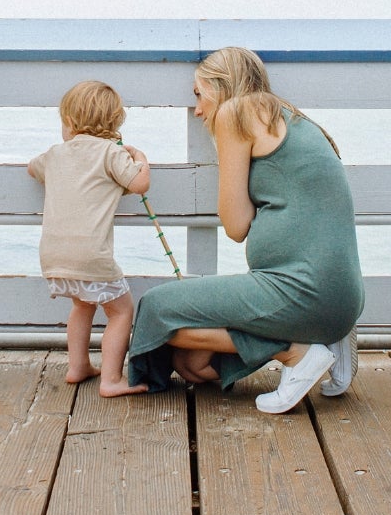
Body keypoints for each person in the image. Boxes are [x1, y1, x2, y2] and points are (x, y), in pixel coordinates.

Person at [127, 47, 364, 413]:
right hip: (340, 296)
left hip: (301, 290)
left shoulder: (236, 112)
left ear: (221, 87)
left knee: (156, 309)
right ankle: (326, 337)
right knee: (189, 364)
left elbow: (236, 226)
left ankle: (297, 352)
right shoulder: (289, 117)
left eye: (198, 94)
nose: (198, 110)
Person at [27, 81, 152, 397]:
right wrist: (140, 158)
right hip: (91, 257)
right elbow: (138, 184)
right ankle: (111, 379)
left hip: (55, 257)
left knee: (82, 307)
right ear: (114, 124)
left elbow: (32, 168)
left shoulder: (55, 155)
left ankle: (78, 365)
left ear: (68, 122)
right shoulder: (111, 153)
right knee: (121, 311)